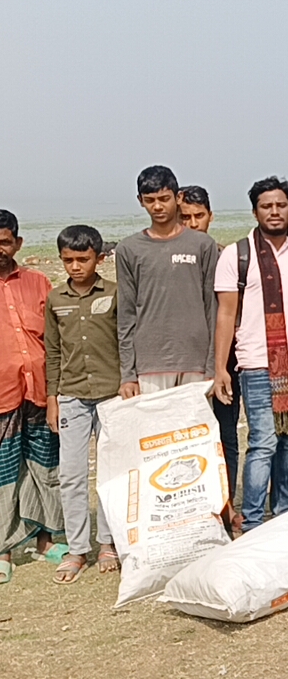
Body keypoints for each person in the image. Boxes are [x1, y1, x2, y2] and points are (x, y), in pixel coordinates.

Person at [212, 177, 288, 532]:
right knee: (262, 443)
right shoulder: (237, 255)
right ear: (255, 211)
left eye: (281, 205)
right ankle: (252, 521)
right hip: (258, 365)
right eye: (267, 206)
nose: (274, 212)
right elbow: (226, 315)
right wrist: (221, 368)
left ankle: (283, 512)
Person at [46, 225, 120, 583]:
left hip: (111, 394)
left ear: (99, 258)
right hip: (71, 397)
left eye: (83, 259)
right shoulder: (56, 299)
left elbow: (126, 341)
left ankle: (108, 543)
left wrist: (129, 385)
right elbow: (54, 353)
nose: (75, 266)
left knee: (110, 474)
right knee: (72, 476)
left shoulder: (116, 294)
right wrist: (52, 399)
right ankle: (77, 549)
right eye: (68, 260)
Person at [116, 166, 219, 397]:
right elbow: (126, 315)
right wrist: (128, 374)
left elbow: (212, 308)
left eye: (164, 199)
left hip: (196, 362)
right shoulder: (128, 249)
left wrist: (212, 367)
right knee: (155, 431)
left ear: (178, 197)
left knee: (195, 432)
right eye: (150, 200)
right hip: (149, 363)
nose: (158, 206)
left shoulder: (202, 245)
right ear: (140, 201)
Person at [0, 210, 63, 585]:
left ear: (18, 243)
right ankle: (3, 549)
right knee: (4, 472)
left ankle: (45, 540)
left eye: (5, 241)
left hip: (39, 390)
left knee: (45, 467)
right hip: (2, 395)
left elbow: (56, 337)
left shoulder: (39, 283)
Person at [179, 184, 244, 527]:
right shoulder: (173, 259)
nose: (192, 223)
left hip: (226, 362)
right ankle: (195, 510)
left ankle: (227, 504)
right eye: (185, 217)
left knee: (226, 434)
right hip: (185, 362)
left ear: (210, 216)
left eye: (198, 216)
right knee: (188, 438)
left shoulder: (226, 257)